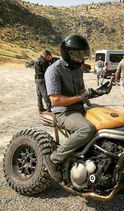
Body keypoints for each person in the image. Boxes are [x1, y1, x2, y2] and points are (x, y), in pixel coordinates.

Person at [45, 34, 97, 165]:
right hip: (64, 112)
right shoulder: (54, 70)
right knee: (87, 129)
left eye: (84, 55)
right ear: (69, 54)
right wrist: (81, 97)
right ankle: (54, 159)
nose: (82, 60)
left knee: (106, 121)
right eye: (79, 55)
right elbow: (55, 100)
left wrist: (95, 94)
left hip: (79, 108)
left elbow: (81, 90)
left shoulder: (78, 69)